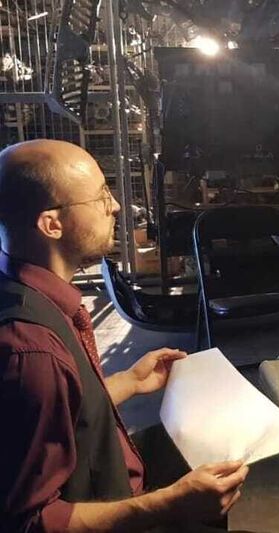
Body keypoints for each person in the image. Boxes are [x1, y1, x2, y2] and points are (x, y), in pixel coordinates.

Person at [0, 140, 248, 532]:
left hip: (112, 469)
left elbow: (64, 412)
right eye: (100, 196)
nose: (115, 206)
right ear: (52, 224)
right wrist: (169, 505)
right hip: (114, 505)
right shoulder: (32, 354)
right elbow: (28, 523)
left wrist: (128, 382)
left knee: (213, 441)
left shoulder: (27, 292)